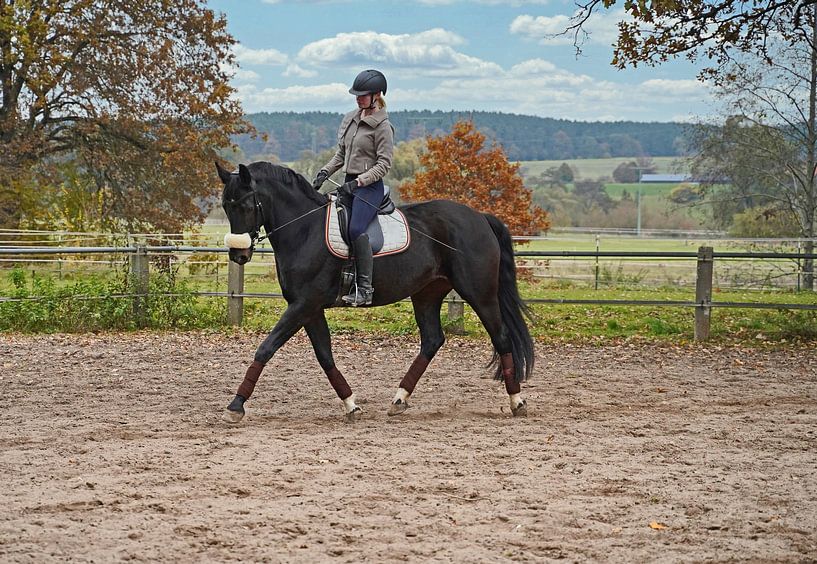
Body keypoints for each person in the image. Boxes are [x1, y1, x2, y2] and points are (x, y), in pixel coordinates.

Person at [312, 69, 394, 306]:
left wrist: (358, 182)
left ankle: (365, 289)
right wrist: (325, 171)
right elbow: (341, 154)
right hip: (349, 183)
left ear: (376, 95)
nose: (358, 98)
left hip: (369, 187)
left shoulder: (383, 126)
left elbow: (384, 164)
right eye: (356, 95)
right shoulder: (351, 118)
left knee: (356, 229)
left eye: (363, 95)